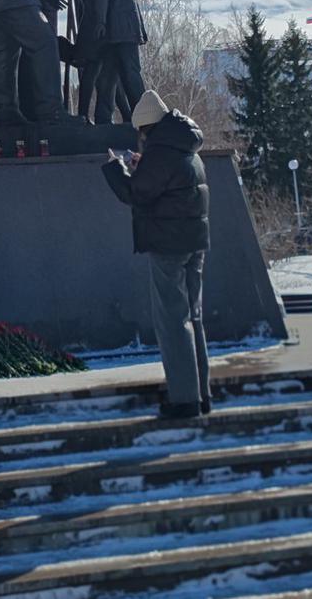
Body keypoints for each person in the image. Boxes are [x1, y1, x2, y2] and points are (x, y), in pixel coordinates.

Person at [102, 90, 212, 418]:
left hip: (169, 246)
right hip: (194, 242)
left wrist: (115, 167)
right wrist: (142, 165)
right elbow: (166, 184)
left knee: (172, 323)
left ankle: (184, 401)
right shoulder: (185, 146)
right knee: (193, 318)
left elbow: (137, 193)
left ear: (146, 128)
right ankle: (200, 395)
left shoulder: (161, 153)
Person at [92, 0, 147, 124]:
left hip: (121, 31)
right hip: (121, 31)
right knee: (131, 73)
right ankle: (145, 115)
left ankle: (103, 117)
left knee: (109, 75)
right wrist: (100, 21)